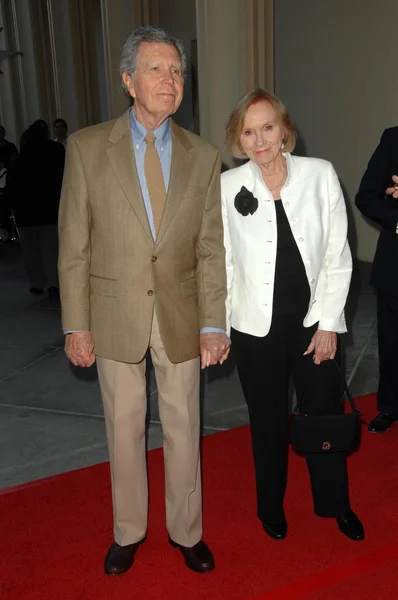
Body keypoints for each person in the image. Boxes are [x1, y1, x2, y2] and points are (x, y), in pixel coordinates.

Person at [58, 26, 230, 576]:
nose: (170, 79)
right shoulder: (86, 148)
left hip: (181, 312)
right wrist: (75, 325)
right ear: (128, 79)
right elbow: (73, 247)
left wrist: (214, 323)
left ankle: (187, 531)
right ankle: (127, 531)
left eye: (177, 70)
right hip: (113, 312)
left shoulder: (202, 156)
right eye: (156, 69)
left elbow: (210, 248)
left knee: (185, 425)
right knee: (124, 425)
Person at [221, 88, 364, 542]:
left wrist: (328, 324)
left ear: (285, 131)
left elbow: (338, 255)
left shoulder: (320, 175)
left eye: (267, 127)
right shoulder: (228, 187)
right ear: (238, 139)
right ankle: (271, 507)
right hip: (254, 329)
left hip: (311, 325)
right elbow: (222, 262)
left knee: (322, 413)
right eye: (248, 131)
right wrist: (218, 327)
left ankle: (335, 505)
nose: (259, 139)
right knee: (265, 420)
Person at [355, 127, 398, 433]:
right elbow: (367, 196)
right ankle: (390, 406)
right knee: (393, 340)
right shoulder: (394, 139)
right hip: (396, 263)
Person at [6, 121, 65, 298]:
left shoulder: (18, 160)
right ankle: (53, 283)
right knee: (50, 248)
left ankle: (37, 283)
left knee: (30, 249)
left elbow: (12, 187)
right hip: (49, 208)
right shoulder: (55, 152)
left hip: (25, 212)